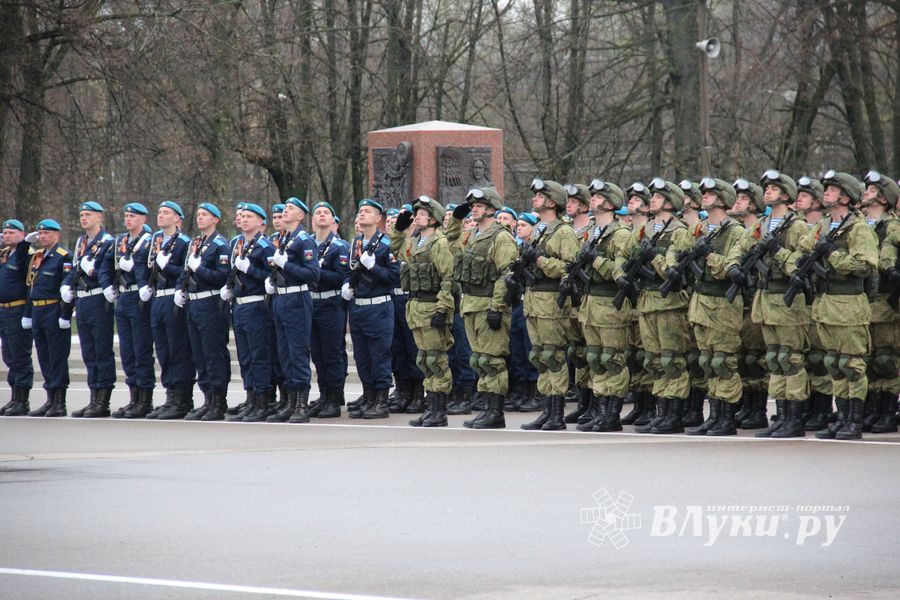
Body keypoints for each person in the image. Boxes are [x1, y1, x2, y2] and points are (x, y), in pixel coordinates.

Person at [802, 172, 878, 440]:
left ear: (845, 197)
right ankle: (842, 418)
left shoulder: (858, 229)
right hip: (826, 304)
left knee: (851, 365)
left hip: (848, 305)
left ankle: (854, 422)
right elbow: (804, 245)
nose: (827, 193)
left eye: (833, 190)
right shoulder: (825, 226)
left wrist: (831, 254)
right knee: (833, 363)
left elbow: (865, 266)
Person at [671, 178, 747, 436]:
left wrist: (707, 255)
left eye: (711, 193)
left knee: (723, 362)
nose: (704, 196)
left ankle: (726, 418)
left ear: (723, 200)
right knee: (707, 362)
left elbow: (731, 268)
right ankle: (714, 416)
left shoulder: (736, 232)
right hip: (700, 302)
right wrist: (673, 264)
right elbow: (676, 248)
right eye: (703, 192)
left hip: (723, 304)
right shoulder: (699, 229)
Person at [447, 187, 518, 428]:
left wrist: (497, 307)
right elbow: (451, 244)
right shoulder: (472, 235)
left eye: (478, 205)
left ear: (490, 208)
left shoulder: (501, 237)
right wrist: (456, 220)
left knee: (492, 360)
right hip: (471, 304)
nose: (473, 209)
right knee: (479, 360)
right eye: (472, 206)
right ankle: (486, 408)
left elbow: (506, 275)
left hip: (489, 305)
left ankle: (495, 412)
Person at [570, 179, 634, 433]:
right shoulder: (590, 232)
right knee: (595, 358)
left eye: (597, 197)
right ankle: (599, 409)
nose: (592, 200)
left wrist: (595, 259)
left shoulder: (621, 235)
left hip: (610, 305)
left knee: (612, 358)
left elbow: (620, 272)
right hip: (590, 304)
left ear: (609, 204)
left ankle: (612, 414)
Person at [630, 179, 691, 435]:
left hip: (669, 303)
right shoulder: (646, 229)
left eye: (657, 196)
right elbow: (627, 256)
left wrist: (653, 255)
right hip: (647, 301)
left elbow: (671, 272)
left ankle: (674, 415)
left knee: (671, 359)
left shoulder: (679, 231)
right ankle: (661, 411)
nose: (652, 199)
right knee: (654, 360)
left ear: (669, 202)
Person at [519, 178, 581, 430]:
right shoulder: (537, 230)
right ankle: (546, 409)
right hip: (534, 300)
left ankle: (556, 413)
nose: (535, 199)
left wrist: (541, 261)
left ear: (552, 202)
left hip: (552, 301)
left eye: (540, 196)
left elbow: (571, 268)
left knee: (553, 356)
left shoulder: (564, 232)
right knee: (539, 356)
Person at [391, 196, 456, 427]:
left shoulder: (439, 243)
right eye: (416, 213)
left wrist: (443, 308)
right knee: (424, 359)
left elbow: (448, 278)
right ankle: (431, 408)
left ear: (433, 219)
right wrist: (398, 231)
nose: (416, 217)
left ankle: (439, 411)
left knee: (436, 359)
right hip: (416, 306)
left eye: (421, 214)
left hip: (432, 306)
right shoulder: (415, 241)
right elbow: (397, 252)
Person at [265, 197, 320, 423]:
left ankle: (301, 405)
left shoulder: (304, 240)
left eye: (291, 209)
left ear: (300, 216)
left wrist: (285, 264)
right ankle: (290, 401)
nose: (286, 211)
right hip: (281, 298)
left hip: (297, 298)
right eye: (285, 207)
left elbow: (313, 274)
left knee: (297, 352)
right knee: (284, 353)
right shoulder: (284, 239)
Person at [175, 202, 232, 421]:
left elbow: (222, 276)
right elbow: (186, 271)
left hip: (211, 303)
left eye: (205, 214)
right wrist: (180, 289)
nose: (200, 218)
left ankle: (218, 401)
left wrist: (200, 268)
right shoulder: (196, 244)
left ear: (215, 219)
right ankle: (207, 399)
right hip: (194, 303)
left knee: (213, 353)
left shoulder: (220, 245)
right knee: (199, 354)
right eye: (198, 214)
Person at [343, 199, 400, 418]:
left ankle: (382, 401)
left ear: (378, 218)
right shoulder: (356, 242)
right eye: (360, 211)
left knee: (379, 355)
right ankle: (369, 397)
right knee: (362, 356)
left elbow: (394, 278)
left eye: (367, 211)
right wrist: (346, 285)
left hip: (378, 307)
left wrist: (373, 267)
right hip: (358, 307)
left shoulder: (387, 244)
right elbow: (350, 271)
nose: (362, 214)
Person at [221, 203, 275, 422]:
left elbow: (272, 277)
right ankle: (251, 399)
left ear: (260, 221)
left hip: (256, 305)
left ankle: (262, 402)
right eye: (241, 216)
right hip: (239, 305)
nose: (243, 219)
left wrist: (250, 269)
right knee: (245, 356)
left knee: (258, 355)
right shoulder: (237, 243)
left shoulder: (265, 245)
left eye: (249, 216)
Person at [62, 202, 116, 418]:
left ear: (99, 217)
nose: (83, 218)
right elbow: (76, 269)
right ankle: (93, 397)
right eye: (82, 214)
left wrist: (92, 270)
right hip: (82, 301)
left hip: (98, 299)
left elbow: (107, 271)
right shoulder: (81, 242)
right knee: (89, 353)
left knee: (102, 351)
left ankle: (103, 401)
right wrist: (66, 285)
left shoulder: (108, 242)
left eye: (88, 215)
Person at [104, 203, 156, 418]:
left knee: (141, 349)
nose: (128, 219)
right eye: (126, 216)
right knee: (127, 352)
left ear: (143, 219)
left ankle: (145, 400)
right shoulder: (120, 241)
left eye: (133, 216)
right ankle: (134, 397)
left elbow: (152, 268)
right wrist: (106, 285)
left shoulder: (149, 241)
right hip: (123, 297)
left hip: (139, 297)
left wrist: (134, 269)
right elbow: (105, 265)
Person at [144, 201, 195, 420]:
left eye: (166, 212)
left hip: (173, 299)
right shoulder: (155, 239)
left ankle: (182, 399)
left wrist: (168, 267)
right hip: (157, 298)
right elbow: (146, 266)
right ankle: (170, 395)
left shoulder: (184, 242)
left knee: (178, 349)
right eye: (159, 212)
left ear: (177, 219)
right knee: (163, 350)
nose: (161, 215)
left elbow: (186, 270)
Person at [859, 171, 900, 432]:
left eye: (872, 190)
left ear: (884, 199)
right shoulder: (860, 224)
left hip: (886, 301)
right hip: (866, 301)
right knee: (870, 359)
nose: (866, 193)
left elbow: (887, 257)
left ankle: (887, 410)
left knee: (887, 359)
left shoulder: (892, 226)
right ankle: (872, 409)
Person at [24, 220, 72, 417]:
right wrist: (27, 313)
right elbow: (31, 286)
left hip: (53, 309)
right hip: (38, 310)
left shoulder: (63, 256)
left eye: (47, 233)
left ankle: (59, 402)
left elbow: (67, 287)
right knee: (44, 356)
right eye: (40, 233)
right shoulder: (38, 256)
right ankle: (50, 399)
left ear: (56, 235)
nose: (42, 236)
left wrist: (65, 314)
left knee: (57, 356)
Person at [307, 201, 350, 418]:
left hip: (330, 303)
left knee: (332, 354)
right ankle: (324, 396)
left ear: (333, 220)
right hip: (311, 303)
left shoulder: (339, 246)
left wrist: (315, 272)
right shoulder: (307, 244)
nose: (322, 215)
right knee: (317, 354)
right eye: (318, 213)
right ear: (312, 220)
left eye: (326, 212)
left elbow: (340, 277)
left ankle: (334, 399)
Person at [0, 219, 34, 416]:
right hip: (4, 311)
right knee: (9, 356)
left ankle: (22, 400)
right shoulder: (5, 255)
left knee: (20, 356)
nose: (7, 235)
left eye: (11, 232)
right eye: (4, 232)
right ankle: (14, 397)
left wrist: (23, 245)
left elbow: (28, 281)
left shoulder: (25, 255)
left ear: (22, 234)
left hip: (17, 310)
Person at [508, 213, 541, 411]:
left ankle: (536, 392)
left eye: (523, 225)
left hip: (532, 302)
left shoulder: (535, 249)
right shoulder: (517, 248)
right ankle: (522, 391)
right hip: (517, 303)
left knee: (531, 348)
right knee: (518, 349)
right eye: (518, 225)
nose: (518, 228)